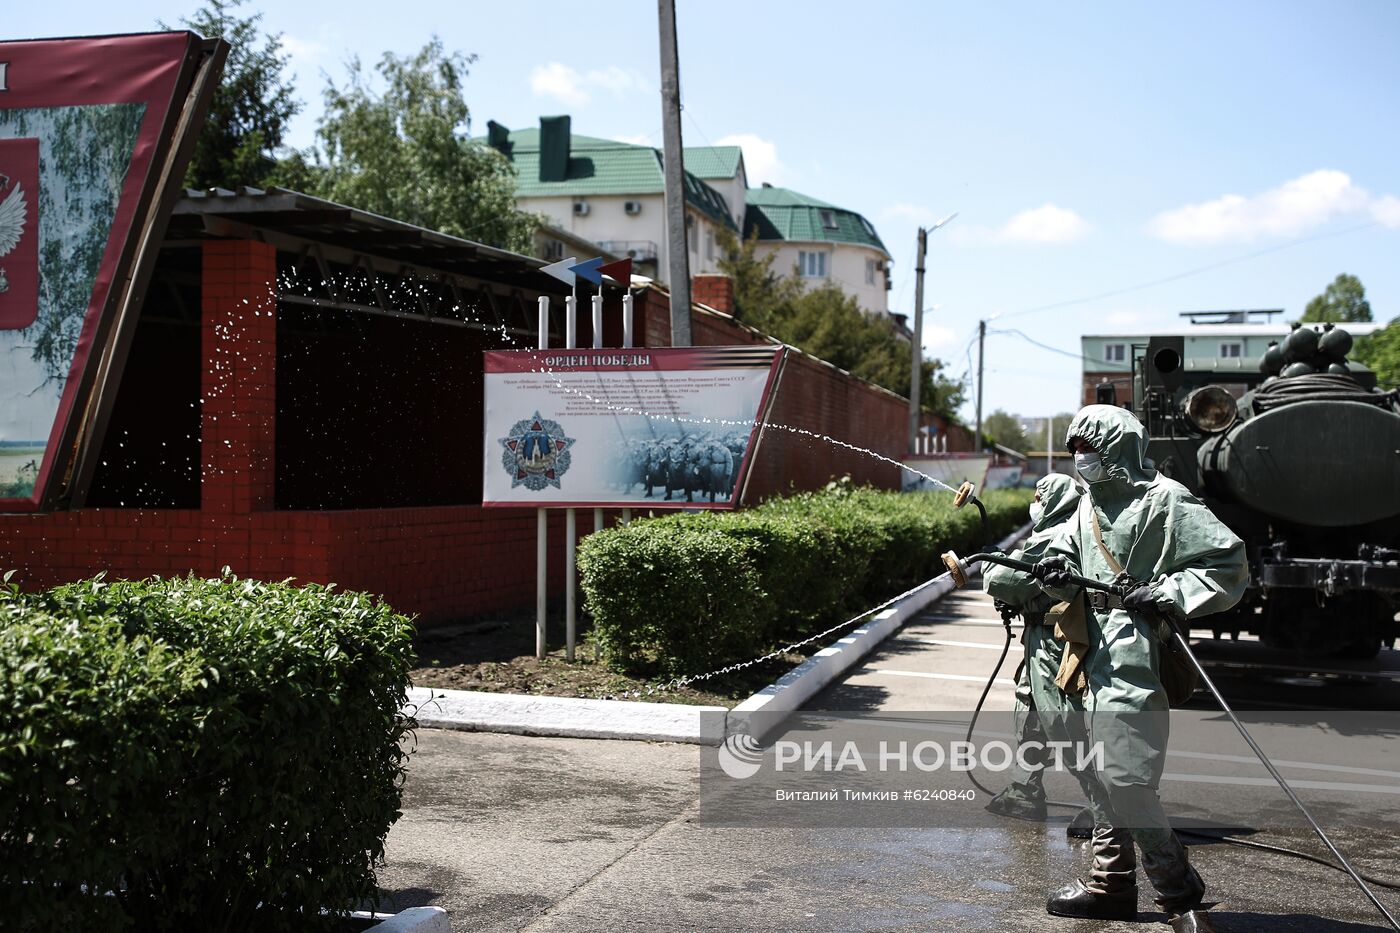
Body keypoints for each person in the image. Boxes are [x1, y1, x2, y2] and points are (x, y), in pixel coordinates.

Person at [1031, 404, 1248, 923]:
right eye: (1074, 449)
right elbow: (1062, 551)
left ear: (1116, 448)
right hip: (1078, 646)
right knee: (1090, 768)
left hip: (1132, 645)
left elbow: (1227, 564)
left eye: (1087, 448)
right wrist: (1054, 567)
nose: (1078, 457)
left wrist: (1169, 591)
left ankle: (1180, 893)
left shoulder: (1166, 500)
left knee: (1126, 776)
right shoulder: (1084, 505)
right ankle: (1110, 883)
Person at [981, 473, 1095, 839]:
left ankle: (1106, 807)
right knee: (1031, 710)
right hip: (1041, 635)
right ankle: (1024, 789)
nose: (1035, 503)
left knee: (1062, 722)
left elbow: (1001, 579)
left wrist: (994, 562)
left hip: (1055, 639)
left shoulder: (1054, 535)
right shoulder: (1064, 529)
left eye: (1039, 496)